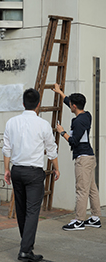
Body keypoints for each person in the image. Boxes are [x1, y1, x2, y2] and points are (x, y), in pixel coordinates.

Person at [2, 88, 60, 262]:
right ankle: (25, 250)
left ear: (23, 104)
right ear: (38, 105)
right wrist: (56, 168)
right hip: (34, 172)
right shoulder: (42, 124)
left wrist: (7, 169)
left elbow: (6, 148)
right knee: (32, 211)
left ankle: (26, 244)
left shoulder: (11, 122)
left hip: (17, 170)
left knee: (21, 210)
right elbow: (51, 149)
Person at [53, 83, 101, 231]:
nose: (70, 106)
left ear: (74, 106)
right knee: (92, 189)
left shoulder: (79, 122)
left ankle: (79, 220)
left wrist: (62, 132)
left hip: (83, 159)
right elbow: (69, 102)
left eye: (71, 105)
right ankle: (95, 218)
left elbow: (73, 141)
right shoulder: (86, 115)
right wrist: (60, 92)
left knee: (81, 190)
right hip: (90, 157)